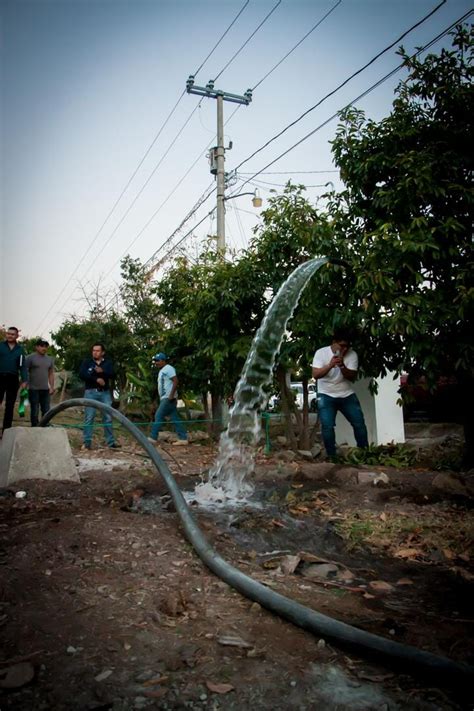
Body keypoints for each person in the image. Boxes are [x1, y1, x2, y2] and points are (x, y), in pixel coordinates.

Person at [312, 328, 368, 459]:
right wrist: (330, 365)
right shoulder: (321, 353)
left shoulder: (352, 355)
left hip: (346, 394)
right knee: (327, 426)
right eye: (341, 345)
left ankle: (364, 453)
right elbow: (315, 375)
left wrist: (342, 365)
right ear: (334, 342)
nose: (344, 349)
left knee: (359, 423)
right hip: (326, 394)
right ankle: (331, 456)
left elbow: (352, 377)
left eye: (347, 346)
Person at [79, 343, 120, 450]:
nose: (95, 352)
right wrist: (96, 379)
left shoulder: (107, 363)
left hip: (104, 393)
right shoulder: (87, 362)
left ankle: (110, 443)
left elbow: (112, 374)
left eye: (97, 351)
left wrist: (103, 372)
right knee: (89, 417)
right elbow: (82, 374)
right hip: (90, 393)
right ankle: (87, 443)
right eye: (93, 350)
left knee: (108, 417)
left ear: (103, 352)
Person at [149, 353, 188, 445]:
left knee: (158, 416)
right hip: (165, 398)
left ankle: (153, 437)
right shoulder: (162, 370)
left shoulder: (169, 368)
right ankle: (183, 438)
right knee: (175, 418)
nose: (156, 363)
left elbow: (175, 381)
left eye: (158, 361)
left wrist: (171, 395)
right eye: (155, 361)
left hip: (168, 397)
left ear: (163, 360)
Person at [0, 326, 28, 434]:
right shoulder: (1, 346)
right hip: (0, 377)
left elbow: (22, 366)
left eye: (12, 334)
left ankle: (6, 431)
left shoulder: (20, 350)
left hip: (13, 379)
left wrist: (25, 380)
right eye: (8, 333)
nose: (10, 336)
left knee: (10, 405)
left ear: (17, 336)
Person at [26, 339, 55, 426]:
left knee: (46, 410)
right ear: (37, 347)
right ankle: (35, 426)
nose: (44, 348)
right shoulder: (30, 358)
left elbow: (51, 373)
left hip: (45, 389)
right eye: (42, 346)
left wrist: (52, 387)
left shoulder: (50, 359)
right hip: (33, 388)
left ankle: (45, 425)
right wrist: (25, 384)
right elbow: (25, 371)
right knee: (35, 410)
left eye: (46, 346)